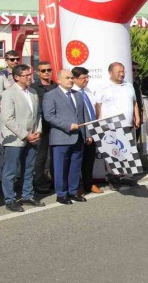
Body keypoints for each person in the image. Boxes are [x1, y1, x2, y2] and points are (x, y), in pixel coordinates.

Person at [42, 69, 91, 204]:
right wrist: (67, 126)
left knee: (75, 166)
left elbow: (84, 115)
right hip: (61, 137)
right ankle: (61, 194)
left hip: (78, 137)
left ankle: (73, 191)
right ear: (59, 80)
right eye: (67, 78)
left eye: (72, 78)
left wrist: (87, 134)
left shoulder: (78, 95)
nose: (71, 80)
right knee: (61, 168)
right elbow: (49, 116)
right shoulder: (51, 95)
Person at [0, 64, 44, 212]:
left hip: (33, 136)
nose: (30, 77)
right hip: (15, 138)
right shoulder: (8, 94)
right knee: (11, 171)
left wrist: (38, 131)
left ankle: (27, 195)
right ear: (16, 77)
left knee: (29, 168)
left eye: (30, 74)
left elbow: (37, 115)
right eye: (26, 75)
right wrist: (25, 135)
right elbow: (8, 118)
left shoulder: (33, 92)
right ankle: (10, 199)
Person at [97, 62, 141, 184]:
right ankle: (113, 177)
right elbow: (98, 105)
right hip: (111, 126)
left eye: (123, 71)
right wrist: (100, 121)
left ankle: (128, 177)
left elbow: (134, 102)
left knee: (128, 151)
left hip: (128, 124)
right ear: (110, 73)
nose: (122, 74)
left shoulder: (129, 85)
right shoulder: (103, 87)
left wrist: (137, 117)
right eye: (119, 72)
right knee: (113, 152)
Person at [72, 66, 101, 195]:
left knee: (89, 159)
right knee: (77, 159)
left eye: (87, 77)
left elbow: (95, 107)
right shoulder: (72, 92)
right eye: (83, 78)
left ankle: (89, 183)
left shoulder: (88, 91)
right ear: (75, 79)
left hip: (92, 129)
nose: (86, 80)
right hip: (79, 130)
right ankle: (77, 185)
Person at [31, 61, 58, 194]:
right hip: (42, 127)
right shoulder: (34, 88)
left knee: (55, 156)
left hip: (57, 126)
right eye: (43, 70)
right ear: (38, 73)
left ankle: (55, 181)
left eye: (49, 70)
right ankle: (39, 182)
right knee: (41, 157)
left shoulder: (57, 86)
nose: (46, 72)